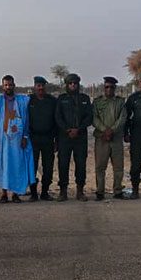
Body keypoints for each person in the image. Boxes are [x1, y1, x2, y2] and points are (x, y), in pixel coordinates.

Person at [0, 75, 34, 203]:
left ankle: (15, 193)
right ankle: (4, 193)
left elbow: (26, 120)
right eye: (6, 85)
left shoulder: (21, 101)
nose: (8, 87)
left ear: (14, 85)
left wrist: (25, 136)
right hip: (2, 140)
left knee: (17, 165)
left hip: (17, 140)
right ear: (2, 86)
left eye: (10, 84)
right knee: (3, 166)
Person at [54, 73, 93, 201]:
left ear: (78, 84)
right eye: (70, 83)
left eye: (75, 83)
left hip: (80, 137)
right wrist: (67, 130)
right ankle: (63, 191)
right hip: (64, 137)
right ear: (66, 85)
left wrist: (78, 129)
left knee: (81, 164)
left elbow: (89, 117)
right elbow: (58, 117)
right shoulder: (61, 99)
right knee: (63, 164)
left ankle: (80, 191)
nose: (73, 85)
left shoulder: (85, 98)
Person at [91, 76, 126, 201]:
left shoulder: (120, 102)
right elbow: (94, 118)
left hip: (116, 138)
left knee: (118, 167)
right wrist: (104, 130)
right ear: (103, 88)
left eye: (111, 87)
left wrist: (112, 130)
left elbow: (122, 118)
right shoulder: (97, 102)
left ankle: (118, 191)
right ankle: (100, 192)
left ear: (115, 88)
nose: (109, 89)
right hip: (102, 138)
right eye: (107, 87)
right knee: (100, 167)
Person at [27, 76, 59, 201]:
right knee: (32, 167)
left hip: (48, 139)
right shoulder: (29, 100)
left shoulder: (52, 101)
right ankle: (33, 193)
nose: (41, 88)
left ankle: (45, 192)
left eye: (42, 86)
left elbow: (56, 121)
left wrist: (56, 140)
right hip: (33, 139)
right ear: (34, 87)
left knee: (48, 167)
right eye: (38, 85)